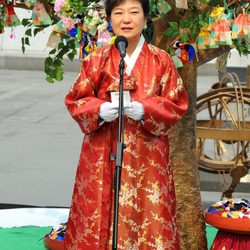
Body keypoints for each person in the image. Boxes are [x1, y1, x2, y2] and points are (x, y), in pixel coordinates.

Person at [64, 0, 188, 249]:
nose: (126, 19)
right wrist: (99, 110)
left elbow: (177, 102)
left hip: (148, 153)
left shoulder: (161, 59)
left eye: (134, 12)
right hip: (102, 151)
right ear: (110, 19)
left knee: (149, 212)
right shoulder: (96, 59)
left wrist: (145, 109)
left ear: (145, 19)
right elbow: (75, 99)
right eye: (118, 13)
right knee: (98, 209)